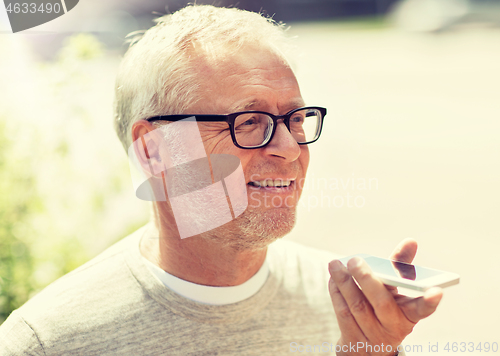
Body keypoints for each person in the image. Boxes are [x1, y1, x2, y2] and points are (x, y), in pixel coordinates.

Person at [0, 5, 443, 355]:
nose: (290, 149)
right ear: (154, 150)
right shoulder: (47, 342)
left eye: (296, 118)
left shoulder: (351, 310)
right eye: (250, 122)